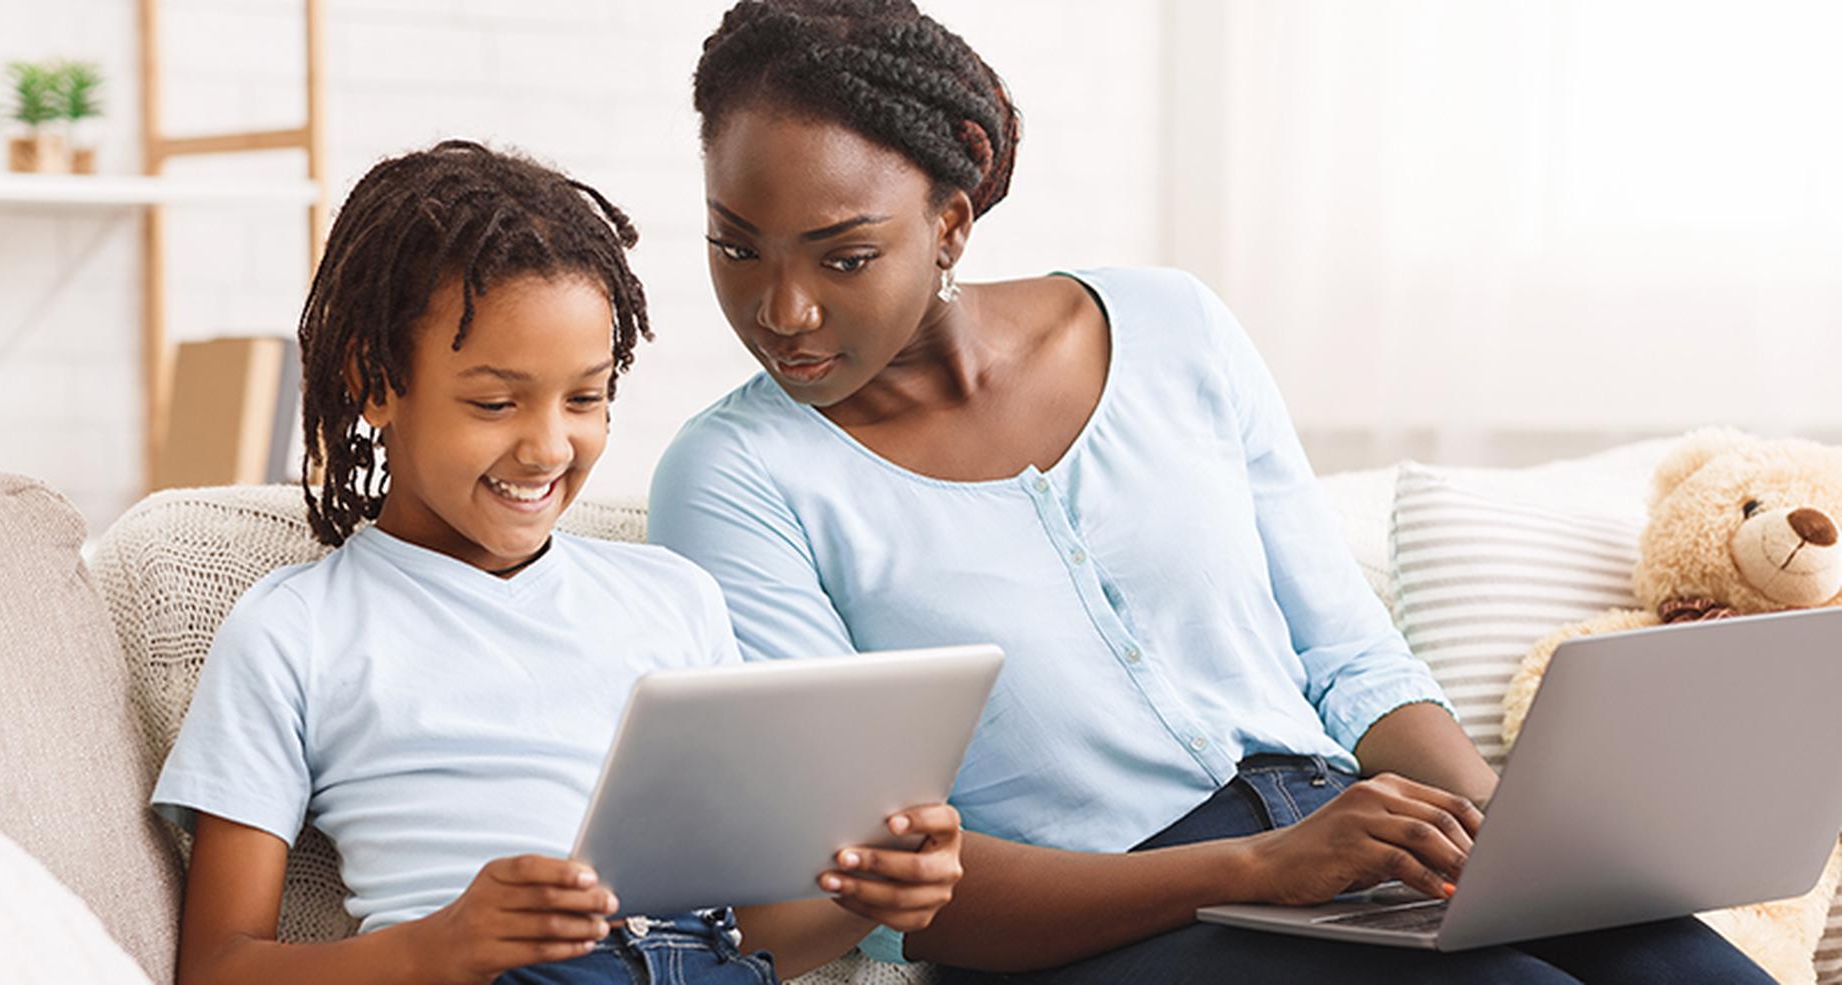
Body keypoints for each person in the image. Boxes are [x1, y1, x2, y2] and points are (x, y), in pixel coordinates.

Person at [647, 3, 1772, 982]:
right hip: (1102, 935)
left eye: (843, 256)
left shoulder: (1173, 326)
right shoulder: (738, 477)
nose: (782, 311)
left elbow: (1352, 661)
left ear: (952, 216)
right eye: (736, 250)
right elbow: (879, 869)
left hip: (1343, 845)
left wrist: (1515, 847)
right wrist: (1257, 867)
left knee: (1681, 963)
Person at [151, 139, 964, 985]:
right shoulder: (295, 627)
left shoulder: (673, 597)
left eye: (586, 397)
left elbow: (743, 936)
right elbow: (216, 967)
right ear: (374, 379)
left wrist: (867, 889)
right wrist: (439, 948)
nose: (547, 447)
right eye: (495, 402)